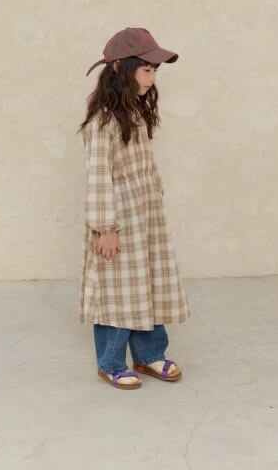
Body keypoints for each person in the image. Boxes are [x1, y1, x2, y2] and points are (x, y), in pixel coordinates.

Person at [76, 27, 191, 390]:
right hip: (118, 219)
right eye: (146, 69)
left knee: (147, 281)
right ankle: (111, 361)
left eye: (154, 71)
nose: (151, 78)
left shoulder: (135, 114)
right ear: (119, 69)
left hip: (145, 215)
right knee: (118, 289)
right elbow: (99, 176)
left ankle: (149, 354)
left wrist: (156, 199)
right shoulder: (104, 123)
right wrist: (106, 228)